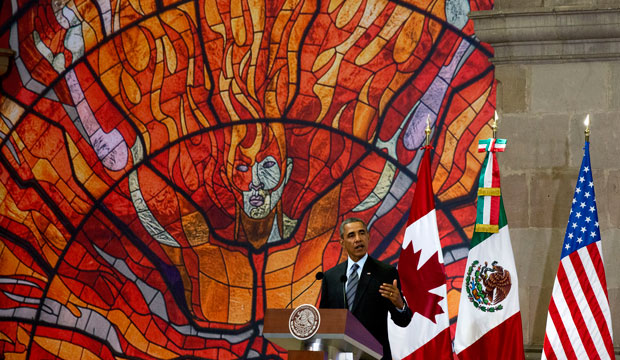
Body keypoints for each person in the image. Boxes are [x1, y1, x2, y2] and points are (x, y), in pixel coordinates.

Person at [319, 218, 412, 360]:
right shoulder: (331, 276)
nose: (358, 239)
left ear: (368, 237)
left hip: (374, 355)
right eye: (351, 235)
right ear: (342, 242)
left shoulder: (385, 273)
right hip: (339, 355)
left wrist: (400, 305)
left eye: (361, 233)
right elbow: (324, 320)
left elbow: (403, 321)